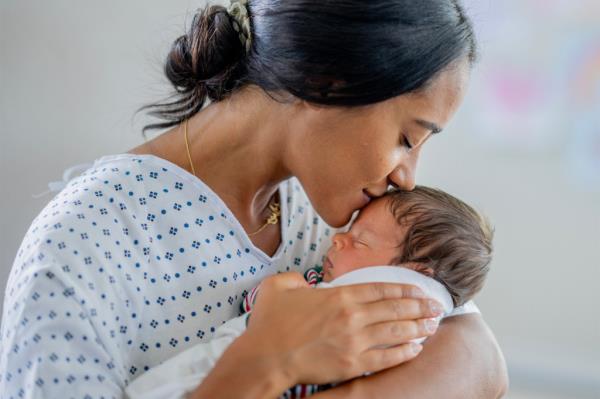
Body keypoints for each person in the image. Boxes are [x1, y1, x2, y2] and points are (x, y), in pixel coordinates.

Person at [0, 0, 508, 397]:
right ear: (327, 81)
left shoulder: (338, 215)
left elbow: (479, 356)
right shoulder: (86, 242)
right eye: (406, 138)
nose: (407, 179)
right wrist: (268, 361)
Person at [124, 186, 494, 399]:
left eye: (359, 241)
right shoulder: (321, 281)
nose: (337, 240)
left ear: (414, 276)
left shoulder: (420, 319)